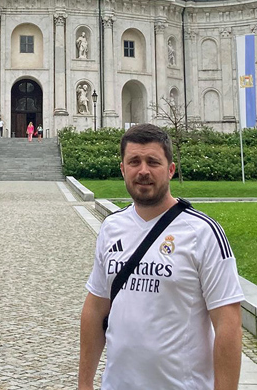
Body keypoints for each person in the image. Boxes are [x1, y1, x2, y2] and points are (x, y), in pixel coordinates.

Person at [79, 124, 243, 390]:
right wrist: (84, 384)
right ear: (122, 169)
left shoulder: (203, 232)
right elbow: (96, 309)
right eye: (134, 161)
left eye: (153, 162)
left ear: (170, 169)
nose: (143, 170)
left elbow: (228, 323)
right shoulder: (111, 227)